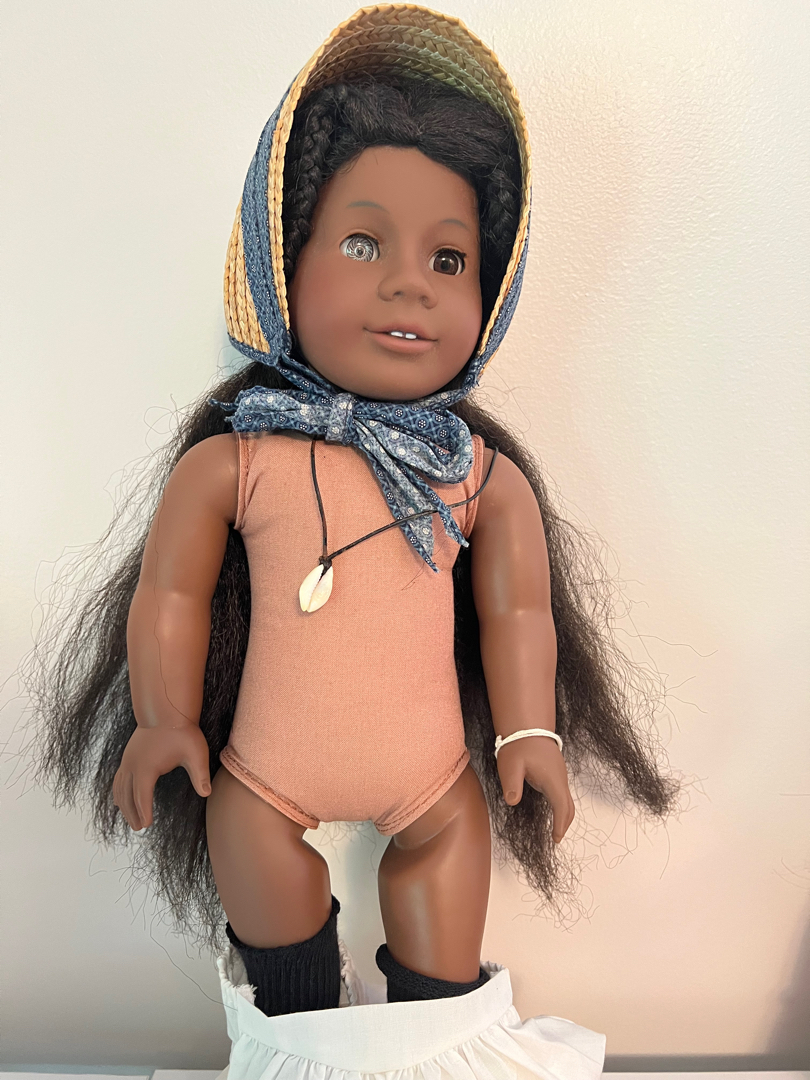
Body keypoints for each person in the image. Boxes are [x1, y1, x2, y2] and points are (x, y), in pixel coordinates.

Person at [33, 6, 676, 1074]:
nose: (409, 281)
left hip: (435, 787)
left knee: (445, 890)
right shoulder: (238, 460)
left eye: (449, 257)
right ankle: (301, 1042)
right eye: (364, 243)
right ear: (285, 264)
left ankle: (430, 1042)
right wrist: (163, 718)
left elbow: (519, 609)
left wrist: (530, 733)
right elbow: (171, 596)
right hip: (263, 779)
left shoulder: (476, 476)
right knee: (259, 871)